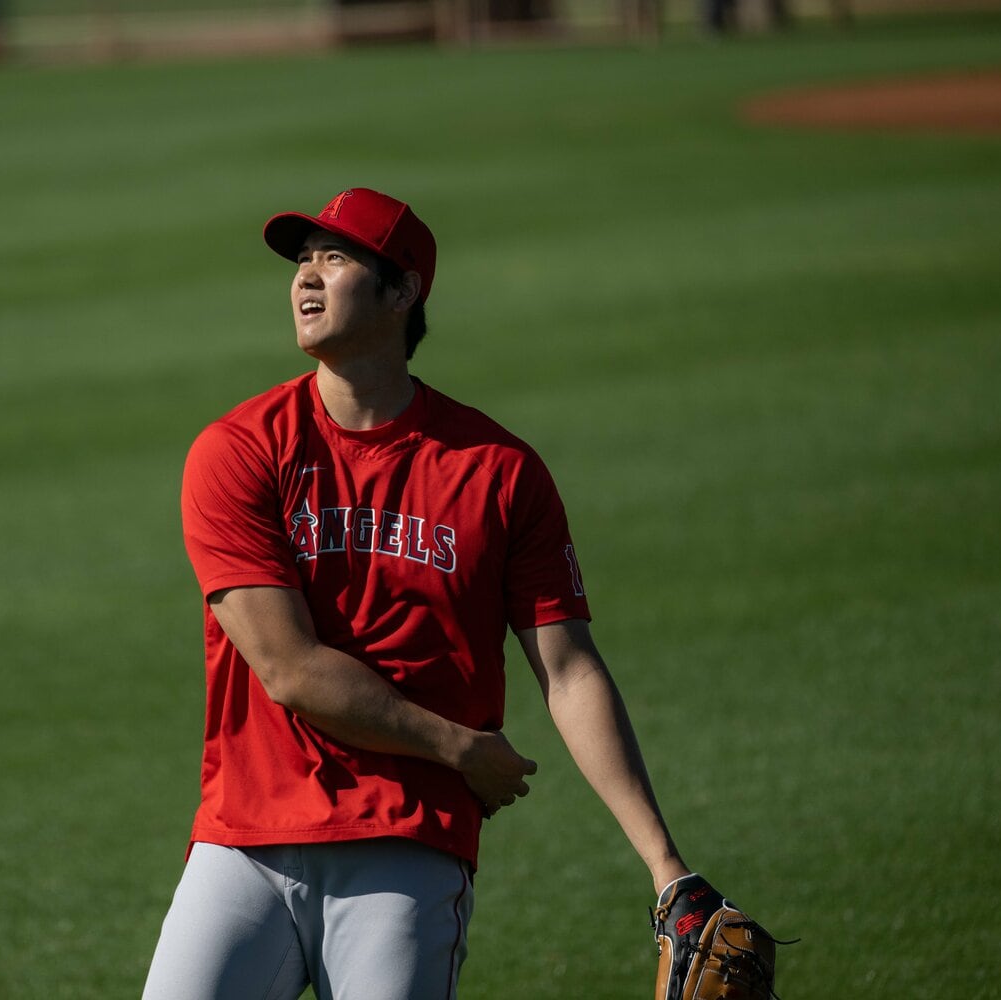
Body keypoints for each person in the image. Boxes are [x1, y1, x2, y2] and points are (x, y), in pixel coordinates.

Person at [143, 188, 692, 1000]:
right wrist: (460, 749)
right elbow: (289, 670)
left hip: (407, 847)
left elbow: (570, 670)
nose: (307, 278)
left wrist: (666, 868)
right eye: (302, 261)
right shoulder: (239, 451)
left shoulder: (501, 474)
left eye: (336, 258)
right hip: (246, 842)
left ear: (403, 292)